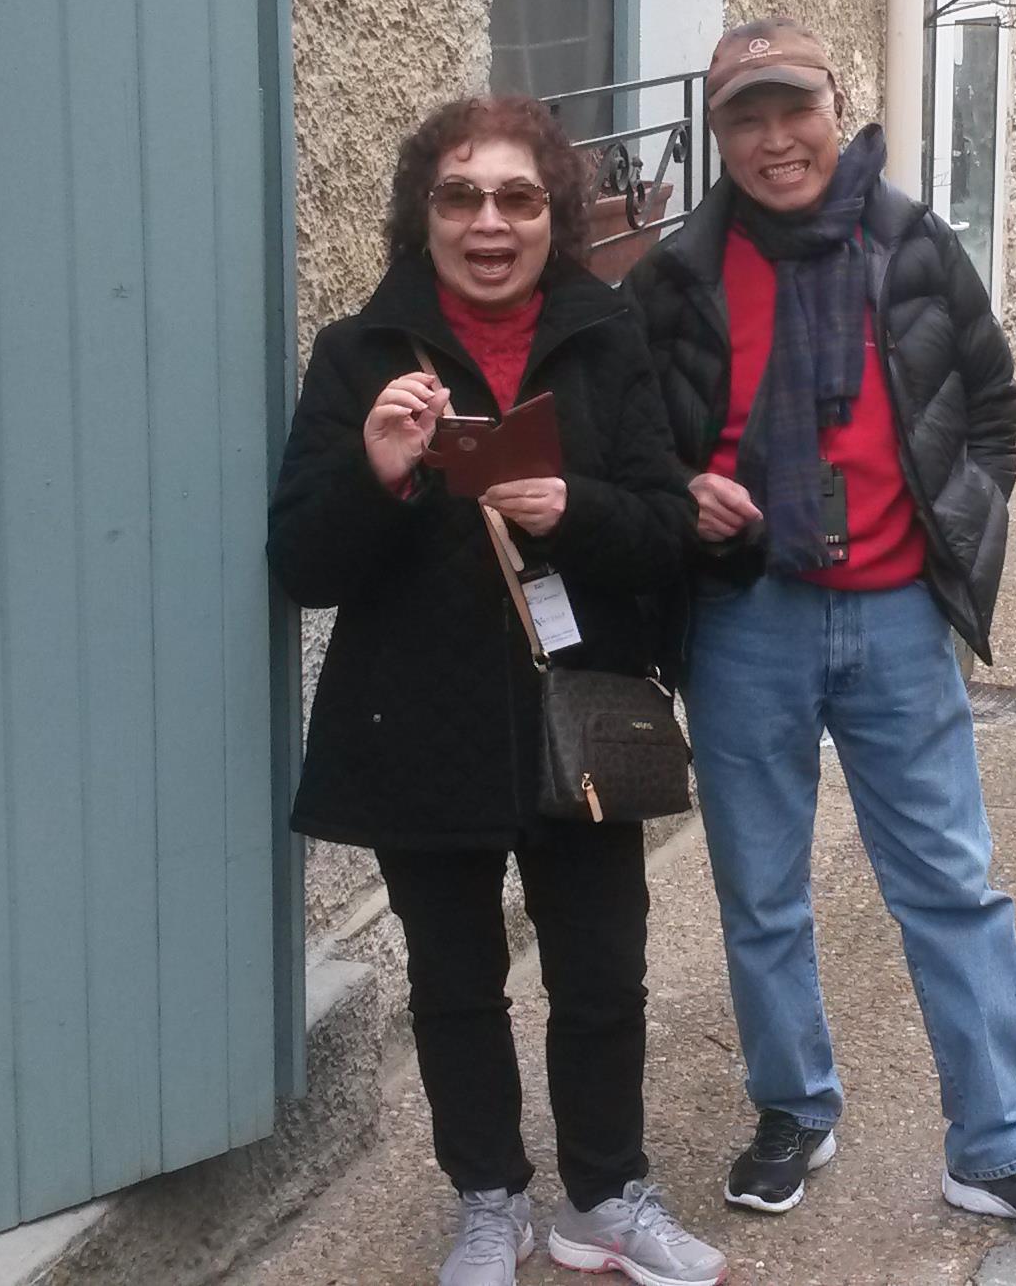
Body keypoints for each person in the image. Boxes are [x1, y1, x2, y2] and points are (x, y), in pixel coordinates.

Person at [623, 20, 1016, 1257]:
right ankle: (794, 1107)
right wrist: (680, 494)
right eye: (745, 119)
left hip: (898, 616)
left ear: (834, 107)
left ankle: (1000, 1143)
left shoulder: (915, 245)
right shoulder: (676, 276)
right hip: (746, 617)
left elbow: (992, 403)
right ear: (719, 134)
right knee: (760, 889)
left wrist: (967, 522)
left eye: (792, 110)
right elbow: (628, 444)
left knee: (950, 883)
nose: (774, 140)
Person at [268, 96, 724, 1286]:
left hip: (582, 711)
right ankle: (490, 1201)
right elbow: (303, 565)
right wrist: (376, 471)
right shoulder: (359, 355)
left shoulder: (606, 334)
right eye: (460, 197)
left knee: (602, 972)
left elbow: (666, 528)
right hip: (420, 719)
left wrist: (576, 509)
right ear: (423, 214)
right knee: (455, 981)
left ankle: (607, 1198)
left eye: (518, 198)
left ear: (552, 215)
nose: (489, 223)